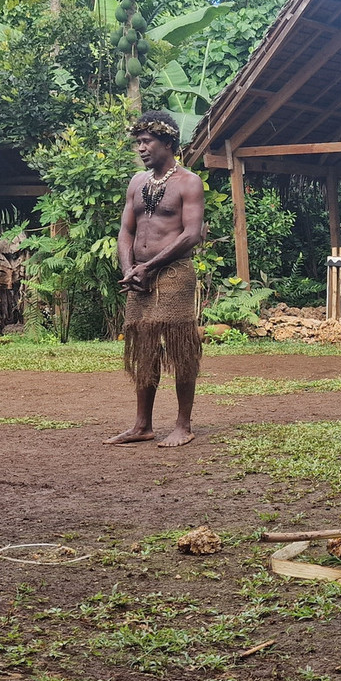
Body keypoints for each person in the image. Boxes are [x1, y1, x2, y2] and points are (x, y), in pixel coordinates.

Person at [104, 110, 205, 447]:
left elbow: (191, 234)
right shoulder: (137, 182)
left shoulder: (189, 182)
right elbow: (125, 231)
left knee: (180, 347)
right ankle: (142, 425)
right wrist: (129, 270)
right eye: (138, 143)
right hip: (139, 276)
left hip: (174, 273)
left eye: (147, 142)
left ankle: (183, 425)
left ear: (168, 142)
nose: (141, 148)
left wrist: (149, 267)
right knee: (144, 346)